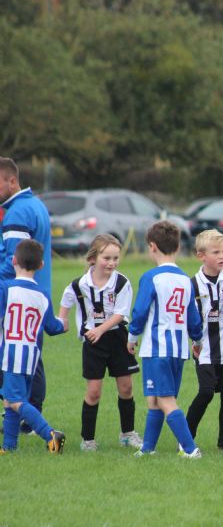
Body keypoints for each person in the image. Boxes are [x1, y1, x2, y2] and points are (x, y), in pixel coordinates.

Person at [127, 221, 204, 458]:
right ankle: (148, 448)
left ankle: (191, 450)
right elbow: (193, 316)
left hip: (157, 348)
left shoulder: (152, 277)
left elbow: (139, 312)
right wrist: (197, 340)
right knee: (154, 399)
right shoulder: (185, 279)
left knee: (165, 398)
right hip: (178, 349)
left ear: (152, 246)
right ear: (178, 247)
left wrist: (131, 337)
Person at [58, 234, 141, 451]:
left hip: (117, 337)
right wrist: (63, 318)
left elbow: (121, 314)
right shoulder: (79, 285)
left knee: (126, 387)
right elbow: (67, 298)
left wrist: (100, 329)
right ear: (93, 258)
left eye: (115, 258)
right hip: (93, 342)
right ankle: (88, 440)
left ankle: (127, 433)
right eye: (107, 258)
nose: (112, 263)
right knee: (94, 391)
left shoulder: (122, 283)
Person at [0, 157, 52, 430]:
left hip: (16, 298)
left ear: (11, 180)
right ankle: (27, 416)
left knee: (13, 357)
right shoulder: (35, 204)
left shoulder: (18, 213)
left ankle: (26, 415)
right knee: (31, 355)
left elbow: (14, 261)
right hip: (36, 296)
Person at [1, 239, 67, 453]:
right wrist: (63, 323)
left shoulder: (6, 288)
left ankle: (50, 434)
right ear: (41, 265)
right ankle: (9, 447)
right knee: (11, 401)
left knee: (15, 400)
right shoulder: (43, 295)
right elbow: (53, 327)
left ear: (13, 261)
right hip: (31, 358)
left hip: (11, 355)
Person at [185, 230, 223, 452]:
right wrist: (193, 341)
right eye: (216, 252)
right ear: (201, 256)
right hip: (205, 350)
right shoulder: (192, 284)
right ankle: (186, 438)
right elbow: (188, 317)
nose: (222, 256)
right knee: (206, 392)